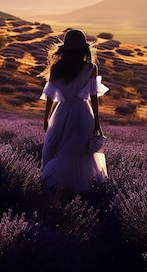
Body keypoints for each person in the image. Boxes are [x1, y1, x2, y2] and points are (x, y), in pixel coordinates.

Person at [39, 29, 109, 193]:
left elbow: (50, 97)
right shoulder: (91, 68)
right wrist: (97, 123)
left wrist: (46, 119)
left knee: (57, 149)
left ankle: (55, 186)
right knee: (79, 151)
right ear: (84, 48)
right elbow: (93, 98)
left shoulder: (56, 68)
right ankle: (79, 190)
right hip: (82, 113)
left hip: (61, 112)